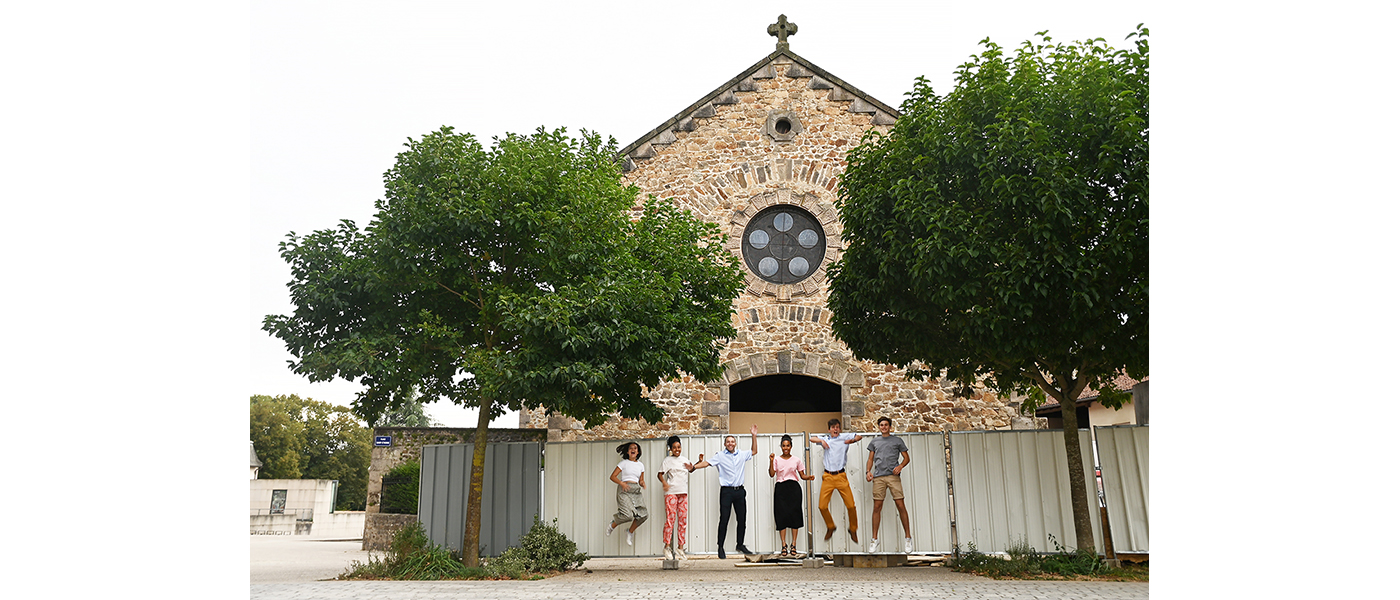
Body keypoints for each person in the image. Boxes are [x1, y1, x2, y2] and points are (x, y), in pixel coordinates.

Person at [691, 424, 757, 559]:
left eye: (732, 441)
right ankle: (720, 546)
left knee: (742, 519)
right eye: (728, 441)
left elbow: (754, 451)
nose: (730, 443)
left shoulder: (742, 454)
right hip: (726, 492)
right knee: (724, 519)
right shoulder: (720, 456)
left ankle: (740, 544)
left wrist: (753, 436)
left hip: (739, 491)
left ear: (735, 443)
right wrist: (693, 467)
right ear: (725, 444)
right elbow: (707, 463)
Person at [809, 418, 863, 544]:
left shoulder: (844, 437)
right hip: (828, 476)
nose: (835, 429)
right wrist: (821, 441)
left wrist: (853, 440)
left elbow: (859, 436)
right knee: (822, 506)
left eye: (837, 427)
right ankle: (830, 526)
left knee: (851, 505)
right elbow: (811, 438)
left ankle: (853, 529)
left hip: (841, 476)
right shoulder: (826, 438)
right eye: (833, 427)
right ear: (829, 430)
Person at [865, 416, 912, 554]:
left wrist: (901, 466)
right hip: (879, 477)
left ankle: (908, 538)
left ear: (890, 427)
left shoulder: (897, 441)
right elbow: (870, 459)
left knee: (900, 505)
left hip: (893, 476)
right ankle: (874, 539)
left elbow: (906, 458)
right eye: (881, 425)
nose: (884, 427)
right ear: (879, 427)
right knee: (877, 507)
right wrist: (868, 471)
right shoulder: (875, 442)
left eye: (886, 425)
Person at [768, 433, 815, 557]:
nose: (786, 448)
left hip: (794, 488)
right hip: (781, 488)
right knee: (781, 515)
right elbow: (772, 474)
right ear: (781, 447)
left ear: (791, 446)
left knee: (795, 515)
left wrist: (808, 477)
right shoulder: (777, 459)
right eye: (783, 446)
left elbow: (802, 475)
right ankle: (784, 544)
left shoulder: (797, 460)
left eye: (788, 445)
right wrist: (771, 461)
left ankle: (794, 544)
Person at [656, 435, 698, 561]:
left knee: (683, 520)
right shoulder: (667, 460)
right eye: (674, 447)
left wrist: (697, 463)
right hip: (671, 493)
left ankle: (680, 547)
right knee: (670, 519)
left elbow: (691, 469)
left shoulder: (684, 460)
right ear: (671, 449)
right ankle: (667, 546)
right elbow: (660, 474)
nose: (677, 449)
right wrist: (664, 483)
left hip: (683, 493)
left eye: (679, 447)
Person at [605, 441, 648, 547]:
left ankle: (630, 531)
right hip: (624, 490)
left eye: (635, 448)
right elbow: (613, 476)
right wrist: (621, 483)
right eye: (631, 448)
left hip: (635, 491)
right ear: (628, 452)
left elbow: (641, 480)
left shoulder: (641, 465)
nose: (633, 450)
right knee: (628, 515)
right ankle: (613, 524)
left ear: (638, 452)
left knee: (643, 515)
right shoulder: (623, 463)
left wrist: (642, 483)